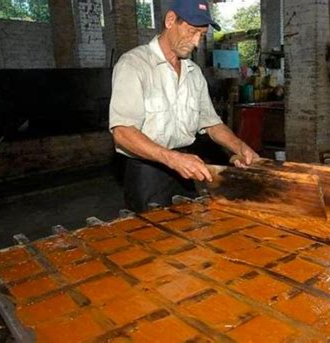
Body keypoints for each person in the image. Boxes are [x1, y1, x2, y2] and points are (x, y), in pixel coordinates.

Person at [109, 0, 259, 212]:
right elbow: (122, 132)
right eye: (191, 31)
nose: (197, 42)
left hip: (186, 169)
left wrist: (240, 147)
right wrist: (172, 159)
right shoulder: (134, 65)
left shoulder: (193, 73)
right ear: (170, 20)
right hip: (147, 173)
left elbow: (212, 124)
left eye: (202, 35)